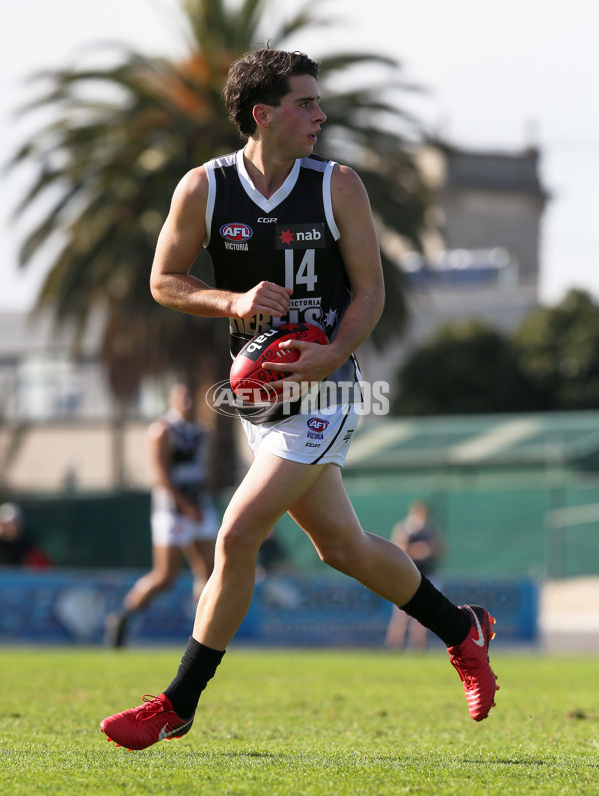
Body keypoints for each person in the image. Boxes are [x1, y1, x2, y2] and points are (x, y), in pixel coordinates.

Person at [100, 47, 498, 750]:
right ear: (264, 114)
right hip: (260, 397)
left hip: (330, 385)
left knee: (234, 533)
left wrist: (332, 354)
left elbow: (371, 290)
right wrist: (232, 298)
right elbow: (165, 279)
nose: (320, 115)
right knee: (341, 546)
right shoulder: (204, 188)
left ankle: (177, 702)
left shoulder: (337, 184)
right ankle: (462, 629)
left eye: (318, 101)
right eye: (305, 103)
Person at [103, 382, 218, 647]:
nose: (188, 403)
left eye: (192, 398)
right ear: (173, 399)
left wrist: (200, 502)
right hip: (173, 511)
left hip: (199, 506)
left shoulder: (202, 431)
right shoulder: (163, 430)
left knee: (210, 572)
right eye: (183, 397)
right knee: (166, 576)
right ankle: (122, 617)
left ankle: (202, 634)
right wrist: (185, 505)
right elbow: (160, 475)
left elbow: (204, 470)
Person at [385, 501, 442, 650]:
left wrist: (430, 549)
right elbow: (397, 549)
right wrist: (416, 550)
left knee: (423, 617)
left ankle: (418, 647)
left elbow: (440, 550)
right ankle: (394, 646)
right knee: (401, 615)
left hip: (427, 576)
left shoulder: (430, 530)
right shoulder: (405, 529)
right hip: (407, 576)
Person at [0, 502, 51, 568]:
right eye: (3, 524)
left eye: (11, 524)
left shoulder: (29, 548)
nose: (9, 528)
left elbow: (44, 571)